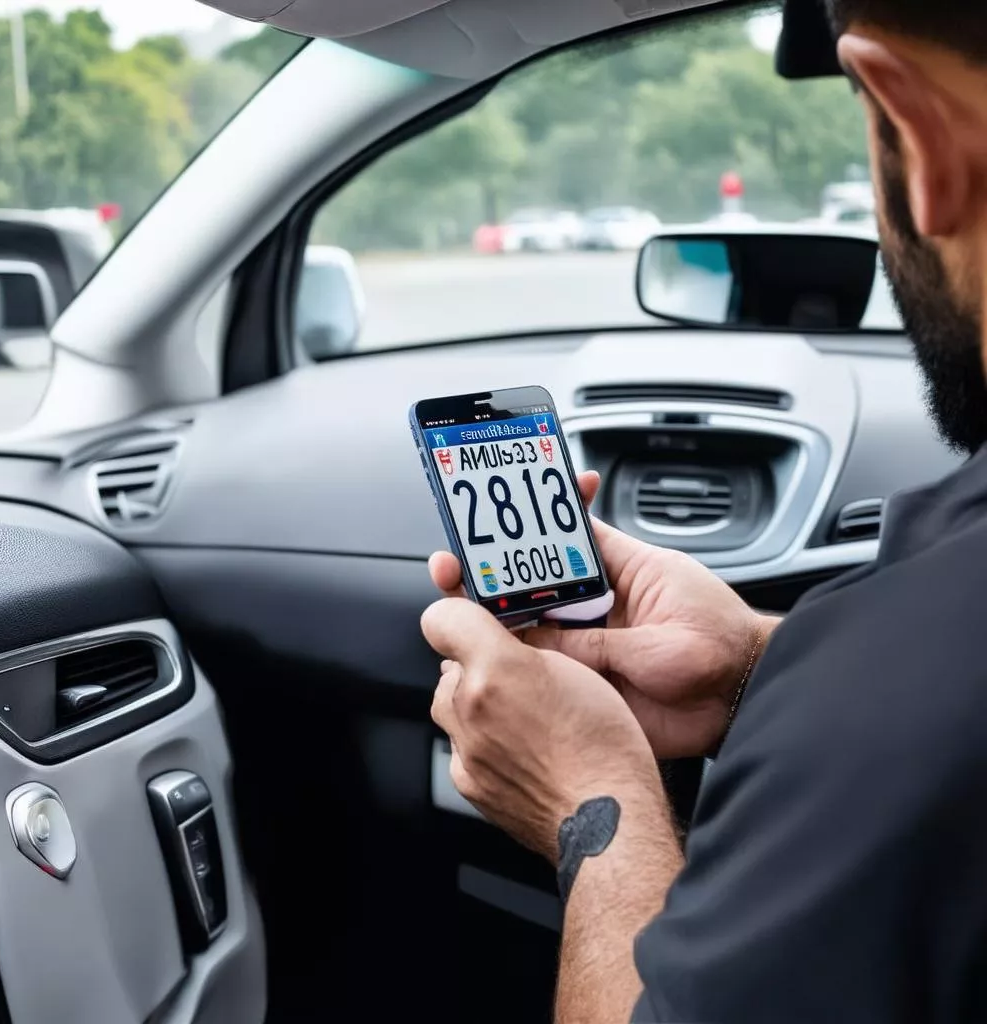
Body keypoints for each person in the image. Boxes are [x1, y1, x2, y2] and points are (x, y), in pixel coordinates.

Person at [421, 1, 987, 1021]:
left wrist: (591, 800)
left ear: (916, 131)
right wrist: (758, 669)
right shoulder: (924, 682)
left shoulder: (928, 685)